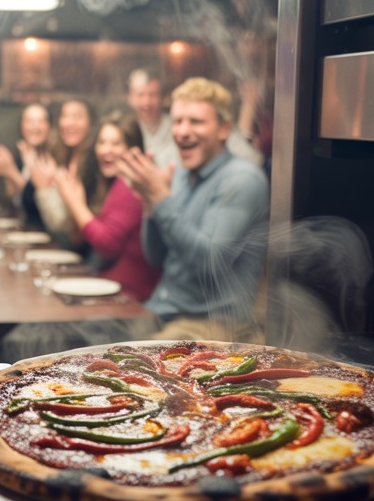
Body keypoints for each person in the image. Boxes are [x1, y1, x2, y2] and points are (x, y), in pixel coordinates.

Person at [116, 77, 270, 342]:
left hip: (214, 326)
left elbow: (210, 264)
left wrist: (162, 198)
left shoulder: (242, 179)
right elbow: (155, 256)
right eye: (177, 121)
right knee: (84, 339)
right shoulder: (182, 176)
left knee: (125, 369)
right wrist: (150, 205)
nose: (182, 131)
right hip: (163, 312)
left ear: (224, 129)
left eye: (196, 122)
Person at [53, 112, 161, 301]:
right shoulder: (113, 182)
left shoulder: (130, 184)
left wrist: (74, 203)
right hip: (111, 290)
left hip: (129, 299)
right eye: (101, 142)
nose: (105, 150)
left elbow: (106, 244)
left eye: (116, 143)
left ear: (133, 149)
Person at [23, 98, 94, 247]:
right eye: (65, 116)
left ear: (91, 123)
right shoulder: (62, 157)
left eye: (78, 117)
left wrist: (44, 189)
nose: (69, 122)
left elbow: (65, 228)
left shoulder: (93, 163)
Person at [0, 101, 50, 208]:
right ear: (21, 126)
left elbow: (39, 204)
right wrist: (3, 172)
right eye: (29, 121)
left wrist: (10, 171)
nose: (35, 126)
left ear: (49, 126)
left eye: (41, 121)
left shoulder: (51, 158)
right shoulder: (22, 153)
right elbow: (13, 197)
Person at [126, 68, 179, 170]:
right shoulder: (126, 128)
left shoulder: (176, 125)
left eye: (152, 95)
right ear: (130, 98)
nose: (146, 102)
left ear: (163, 98)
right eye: (140, 95)